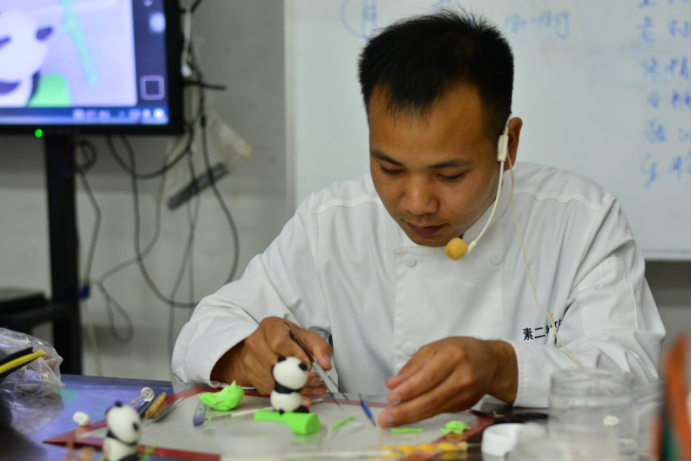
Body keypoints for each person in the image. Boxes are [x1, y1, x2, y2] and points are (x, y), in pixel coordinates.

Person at [173, 10, 665, 428]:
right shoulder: (334, 223)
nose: (415, 203)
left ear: (508, 145)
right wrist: (246, 354)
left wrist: (502, 366)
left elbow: (636, 372)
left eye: (449, 175)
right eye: (389, 169)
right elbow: (203, 330)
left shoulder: (580, 221)